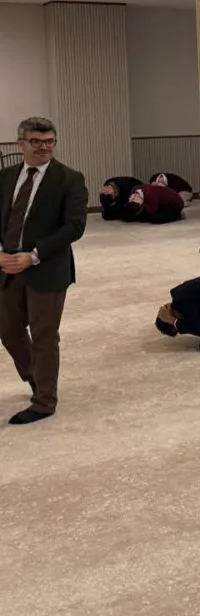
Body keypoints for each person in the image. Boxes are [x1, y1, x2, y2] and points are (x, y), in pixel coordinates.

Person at [0, 117, 88, 425]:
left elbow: (74, 226)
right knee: (8, 330)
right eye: (36, 142)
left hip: (47, 268)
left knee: (44, 336)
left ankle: (45, 402)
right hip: (7, 267)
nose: (44, 147)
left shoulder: (69, 179)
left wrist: (34, 256)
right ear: (21, 143)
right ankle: (35, 377)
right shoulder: (6, 177)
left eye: (49, 141)